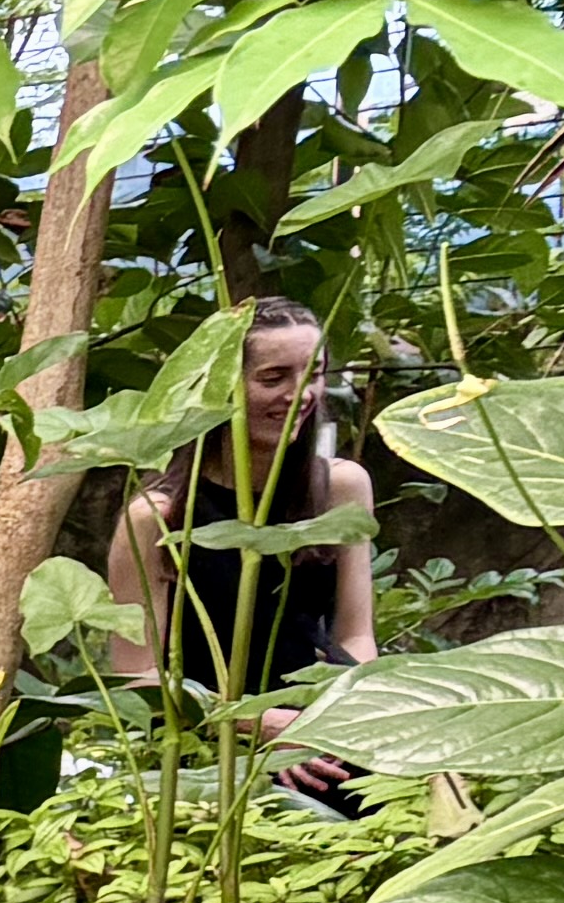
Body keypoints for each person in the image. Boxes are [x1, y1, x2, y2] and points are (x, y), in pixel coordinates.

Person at [100, 296, 377, 756]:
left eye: (314, 374)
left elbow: (356, 635)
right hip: (205, 741)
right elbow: (138, 678)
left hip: (319, 727)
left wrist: (334, 725)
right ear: (221, 387)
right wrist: (256, 727)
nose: (300, 394)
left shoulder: (341, 488)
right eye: (273, 378)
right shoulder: (158, 517)